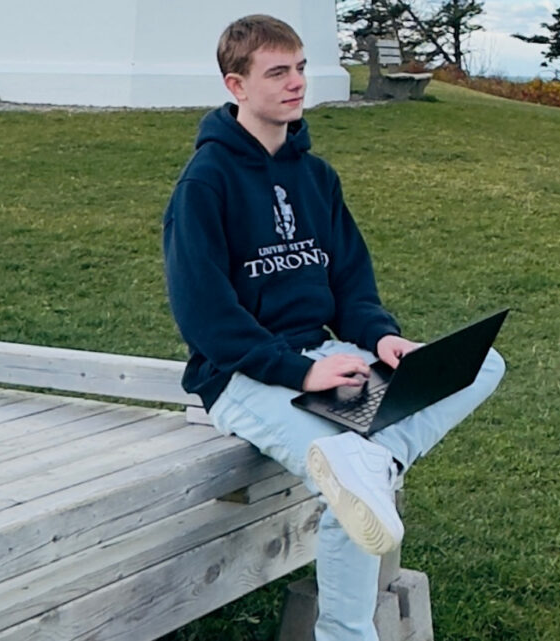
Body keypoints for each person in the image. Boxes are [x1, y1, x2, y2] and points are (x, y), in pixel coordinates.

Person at [161, 13, 505, 641]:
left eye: (299, 68)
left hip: (332, 356)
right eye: (277, 72)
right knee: (343, 472)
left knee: (482, 364)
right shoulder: (205, 183)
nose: (297, 83)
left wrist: (381, 338)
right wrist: (301, 370)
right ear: (236, 86)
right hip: (243, 377)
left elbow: (350, 283)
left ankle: (376, 459)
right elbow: (206, 318)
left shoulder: (316, 177)